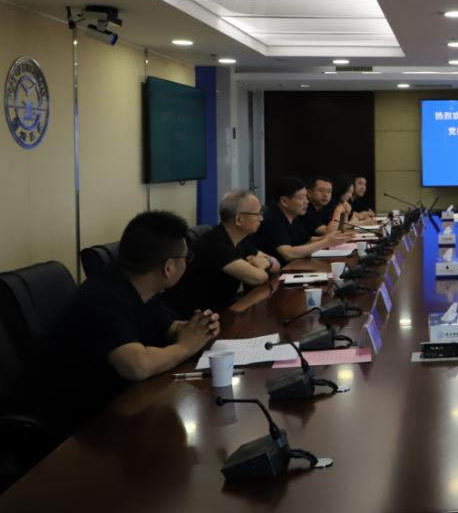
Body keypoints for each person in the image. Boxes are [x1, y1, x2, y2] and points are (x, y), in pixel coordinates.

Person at [26, 211, 221, 437]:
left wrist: (199, 328)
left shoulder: (138, 286)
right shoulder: (103, 298)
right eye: (186, 258)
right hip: (72, 426)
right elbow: (137, 366)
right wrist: (186, 346)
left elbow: (167, 327)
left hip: (115, 404)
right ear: (168, 267)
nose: (187, 263)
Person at [159, 189, 281, 317]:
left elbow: (276, 264)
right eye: (257, 214)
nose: (261, 218)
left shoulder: (239, 240)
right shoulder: (215, 244)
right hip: (191, 318)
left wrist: (267, 262)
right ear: (239, 219)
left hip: (219, 310)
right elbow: (257, 278)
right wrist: (263, 265)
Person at [254, 176, 348, 263]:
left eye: (306, 197)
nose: (306, 202)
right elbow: (288, 254)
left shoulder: (293, 217)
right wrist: (326, 242)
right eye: (302, 198)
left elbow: (306, 240)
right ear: (284, 201)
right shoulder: (273, 219)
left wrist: (331, 237)